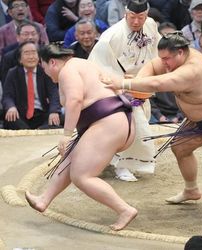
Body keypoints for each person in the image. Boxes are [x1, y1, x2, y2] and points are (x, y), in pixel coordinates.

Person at [102, 31, 202, 222]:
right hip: (201, 117)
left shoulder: (192, 70)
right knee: (180, 148)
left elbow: (159, 83)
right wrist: (137, 91)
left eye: (167, 59)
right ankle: (191, 190)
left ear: (181, 53)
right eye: (163, 58)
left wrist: (123, 83)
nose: (163, 63)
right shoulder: (171, 59)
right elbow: (151, 66)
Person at [24, 44, 138, 231]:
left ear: (52, 62)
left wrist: (66, 135)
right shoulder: (84, 64)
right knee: (71, 157)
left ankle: (125, 209)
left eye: (43, 67)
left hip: (107, 122)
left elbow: (75, 100)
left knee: (82, 176)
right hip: (117, 121)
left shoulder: (67, 71)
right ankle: (43, 200)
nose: (45, 73)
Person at [88, 0, 160, 182]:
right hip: (118, 88)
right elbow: (98, 65)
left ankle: (116, 161)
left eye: (140, 17)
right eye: (132, 17)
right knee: (134, 127)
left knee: (138, 124)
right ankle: (123, 166)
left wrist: (150, 78)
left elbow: (156, 52)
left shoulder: (151, 25)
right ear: (125, 14)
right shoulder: (112, 36)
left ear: (147, 15)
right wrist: (119, 85)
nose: (136, 22)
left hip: (141, 83)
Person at [1, 41, 61, 129]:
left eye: (34, 53)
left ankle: (37, 131)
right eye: (26, 53)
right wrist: (11, 107)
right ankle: (32, 132)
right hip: (20, 114)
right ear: (20, 59)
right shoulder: (13, 73)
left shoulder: (45, 71)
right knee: (10, 118)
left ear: (39, 57)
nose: (31, 57)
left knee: (58, 119)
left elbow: (54, 94)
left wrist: (54, 111)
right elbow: (7, 96)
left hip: (41, 113)